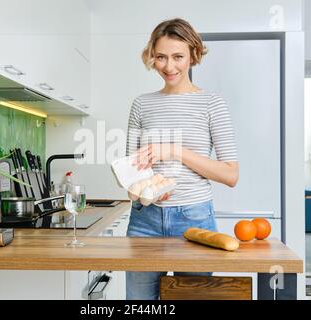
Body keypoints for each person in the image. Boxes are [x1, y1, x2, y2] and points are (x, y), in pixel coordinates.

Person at [125, 18, 239, 300]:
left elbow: (230, 175)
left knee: (193, 298)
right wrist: (143, 192)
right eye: (161, 57)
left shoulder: (211, 103)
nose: (169, 66)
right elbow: (131, 176)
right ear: (152, 56)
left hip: (195, 219)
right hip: (144, 220)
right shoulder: (141, 104)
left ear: (193, 55)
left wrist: (174, 150)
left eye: (178, 57)